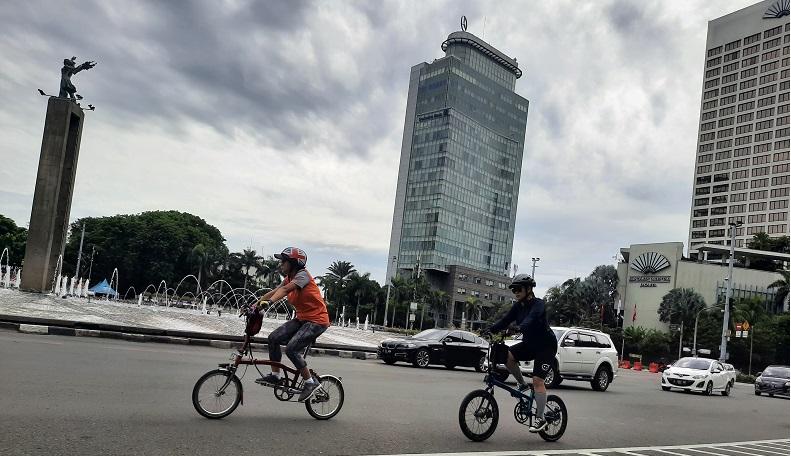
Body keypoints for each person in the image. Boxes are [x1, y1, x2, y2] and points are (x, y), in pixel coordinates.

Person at [254, 247, 330, 402]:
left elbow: (286, 290)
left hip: (317, 321)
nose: (281, 264)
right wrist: (254, 305)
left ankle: (310, 382)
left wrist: (269, 303)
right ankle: (275, 376)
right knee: (273, 338)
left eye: (284, 261)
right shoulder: (289, 277)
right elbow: (276, 290)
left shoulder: (302, 276)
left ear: (294, 263)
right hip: (302, 318)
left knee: (291, 349)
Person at [485, 274, 557, 433]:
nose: (516, 292)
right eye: (514, 290)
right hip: (530, 345)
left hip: (546, 347)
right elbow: (505, 320)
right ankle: (523, 385)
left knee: (538, 381)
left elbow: (531, 318)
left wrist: (519, 327)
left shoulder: (539, 304)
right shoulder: (517, 307)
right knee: (507, 356)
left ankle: (540, 418)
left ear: (529, 289)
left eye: (519, 289)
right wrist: (491, 328)